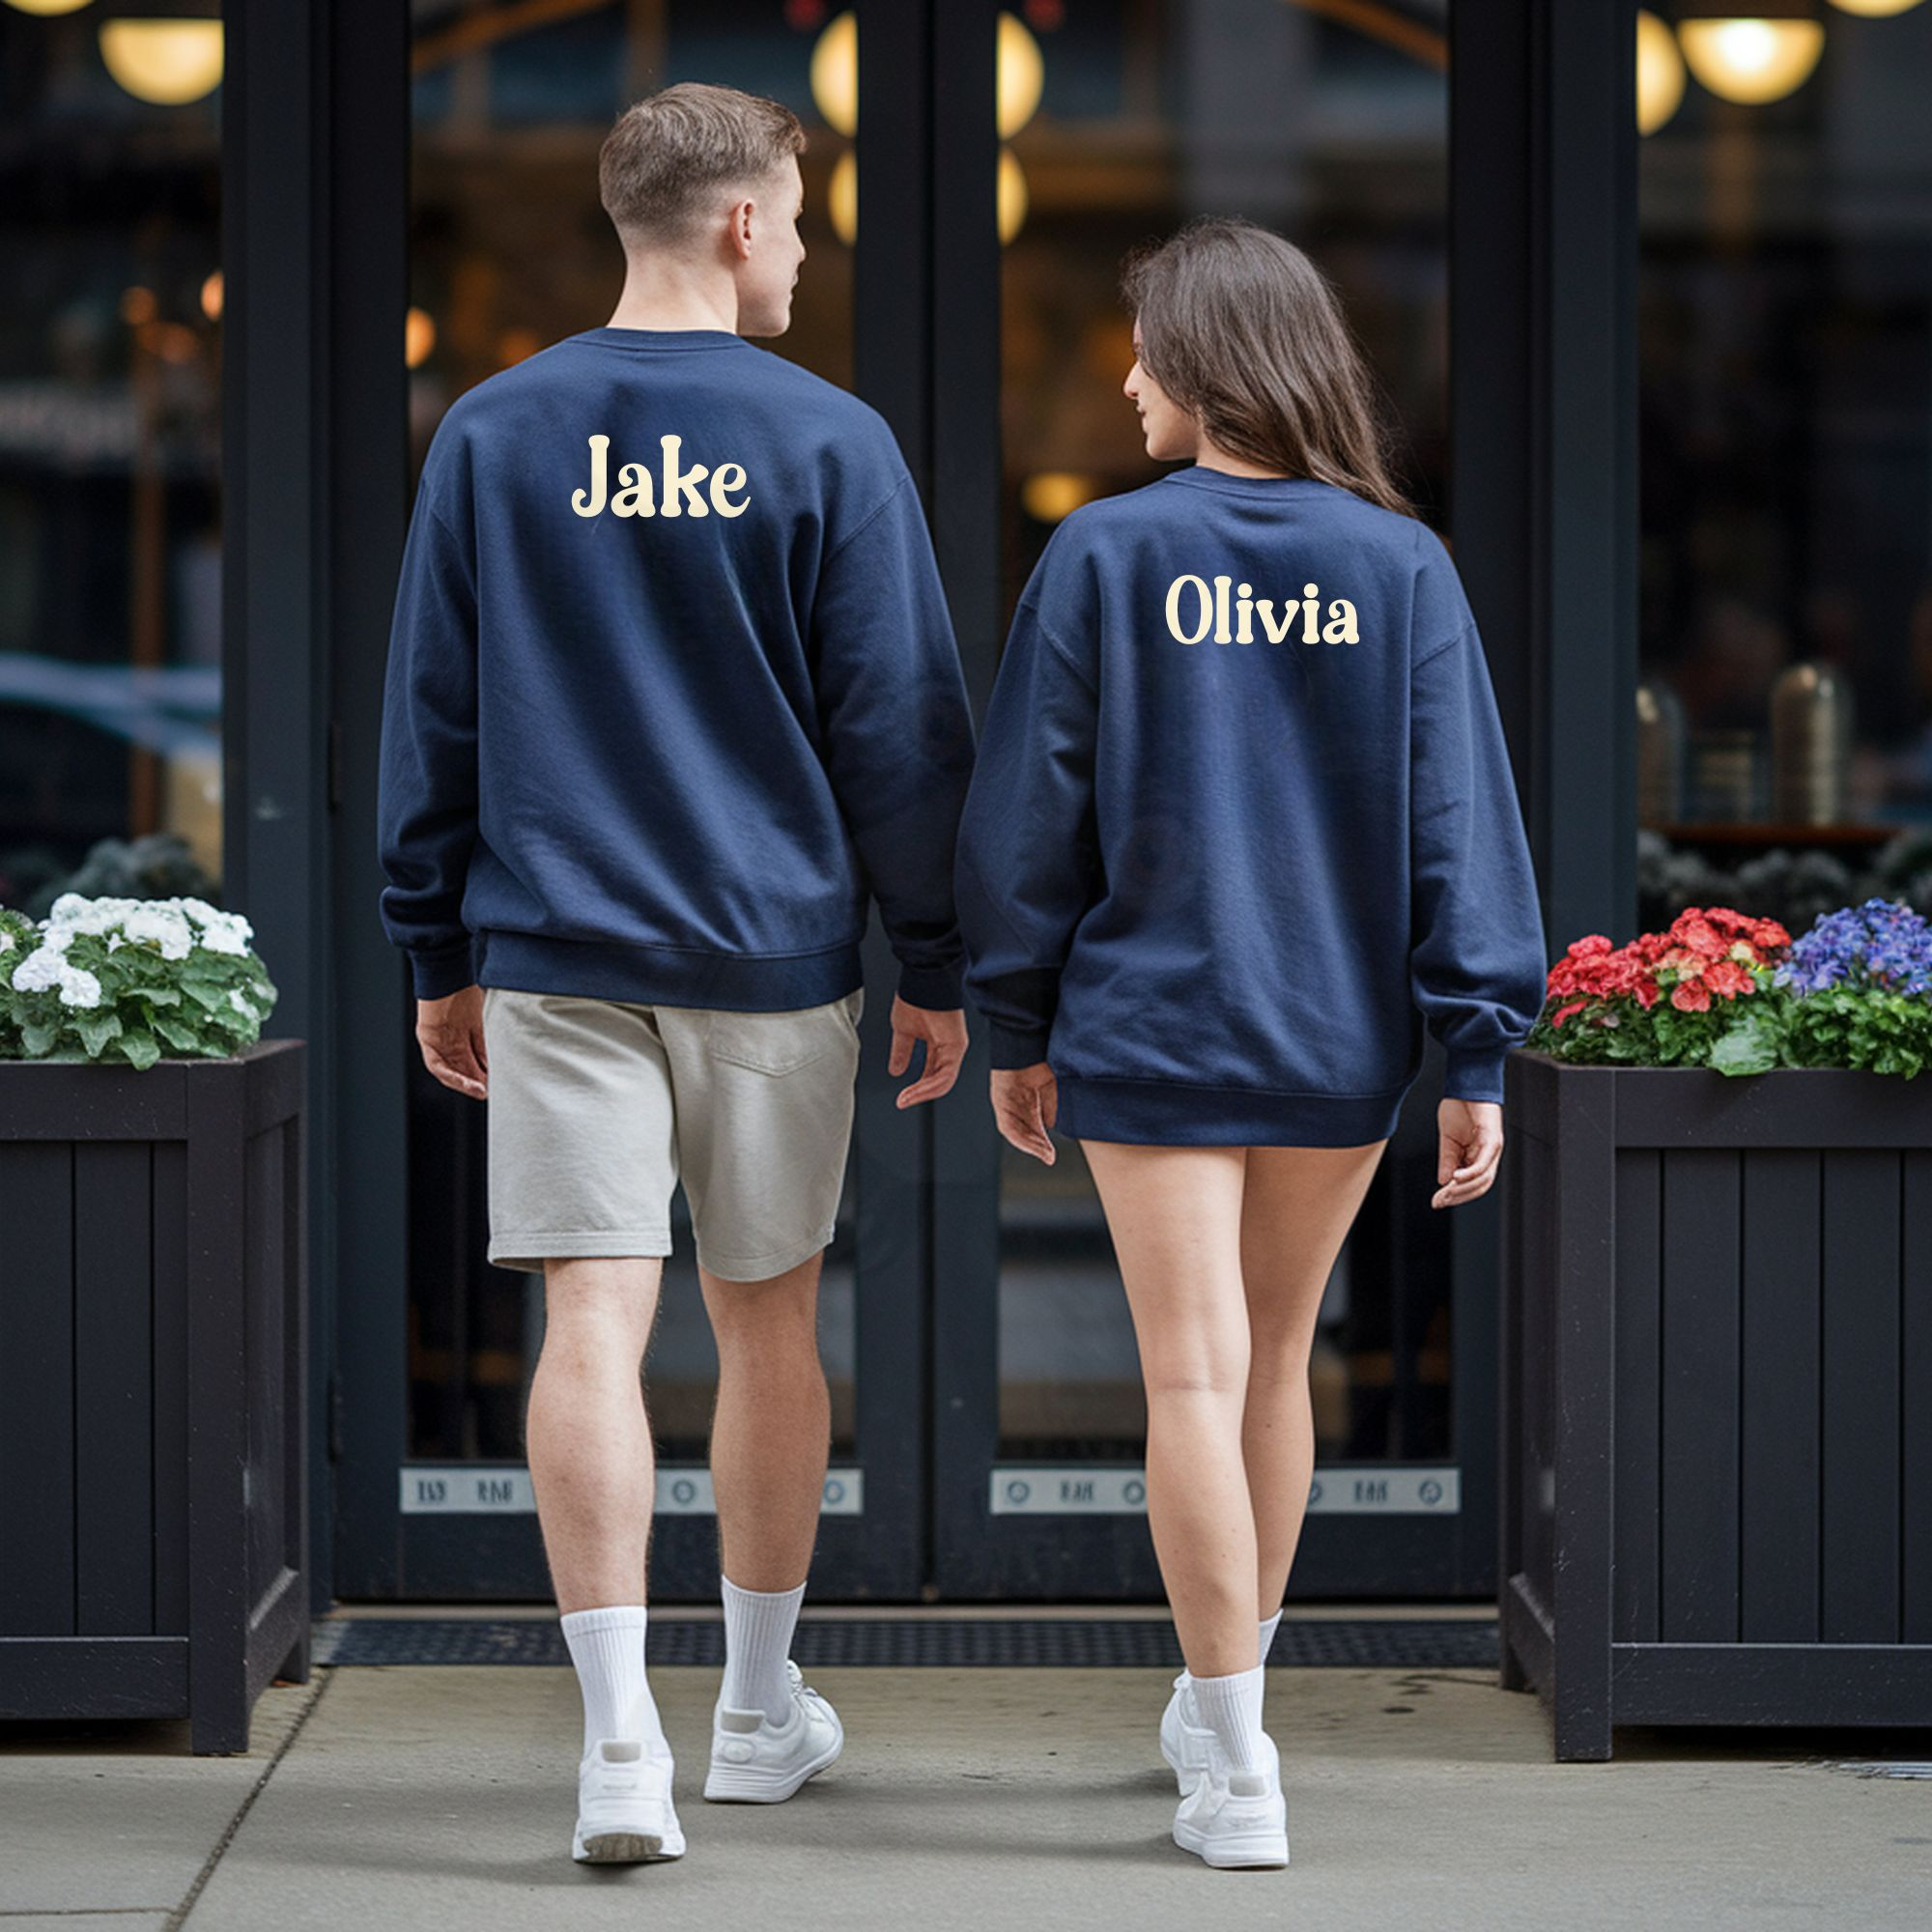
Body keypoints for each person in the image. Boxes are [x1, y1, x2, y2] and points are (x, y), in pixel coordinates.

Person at [375, 82, 976, 1865]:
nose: (803, 244)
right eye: (796, 212)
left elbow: (435, 711)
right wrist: (934, 954)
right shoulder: (830, 442)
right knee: (766, 1321)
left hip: (554, 945)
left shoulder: (494, 431)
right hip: (773, 953)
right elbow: (903, 736)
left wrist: (435, 944)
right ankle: (757, 1710)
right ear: (736, 222)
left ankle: (618, 1745)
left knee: (590, 1322)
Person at [952, 215, 1548, 1870]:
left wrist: (1017, 1013)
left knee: (1192, 1380)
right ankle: (1235, 1715)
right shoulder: (1400, 564)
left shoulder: (1104, 553)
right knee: (1272, 1370)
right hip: (1335, 1035)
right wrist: (1475, 1050)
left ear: (1212, 361)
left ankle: (1233, 1753)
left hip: (1151, 1028)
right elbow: (1463, 823)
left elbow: (1031, 817)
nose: (1129, 374)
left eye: (1145, 346)